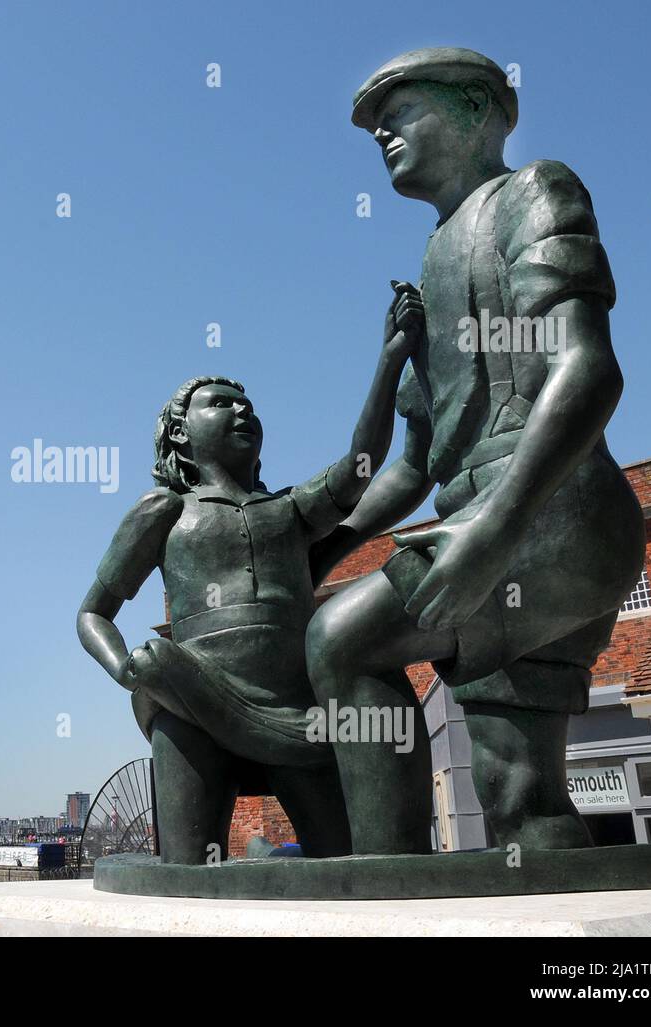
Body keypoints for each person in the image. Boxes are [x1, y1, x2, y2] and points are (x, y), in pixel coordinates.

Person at [306, 48, 645, 854]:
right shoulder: (429, 268)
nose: (382, 130)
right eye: (374, 124)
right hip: (485, 534)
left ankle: (385, 871)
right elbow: (415, 464)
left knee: (340, 641)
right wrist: (320, 551)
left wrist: (493, 529)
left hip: (549, 513)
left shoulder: (534, 192)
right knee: (520, 802)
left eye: (402, 109)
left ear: (478, 110)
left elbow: (588, 369)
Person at [77, 284, 422, 864]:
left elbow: (362, 463)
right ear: (180, 433)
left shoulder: (289, 510)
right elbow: (92, 613)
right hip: (192, 700)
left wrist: (390, 359)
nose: (242, 410)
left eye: (248, 405)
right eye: (219, 403)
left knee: (345, 862)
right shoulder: (165, 511)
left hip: (298, 709)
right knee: (188, 873)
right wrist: (127, 670)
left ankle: (269, 856)